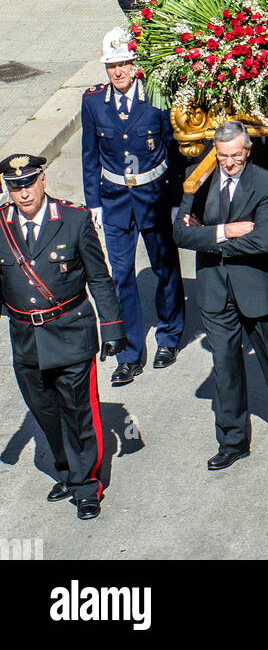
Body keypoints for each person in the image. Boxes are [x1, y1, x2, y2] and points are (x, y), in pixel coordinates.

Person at [174, 122, 268, 467]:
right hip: (215, 290)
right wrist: (227, 231)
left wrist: (207, 236)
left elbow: (263, 241)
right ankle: (232, 440)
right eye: (222, 156)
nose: (229, 163)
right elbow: (180, 233)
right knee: (225, 368)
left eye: (236, 156)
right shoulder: (198, 177)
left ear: (247, 151)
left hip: (258, 288)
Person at [0, 152, 126, 518]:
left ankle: (87, 485)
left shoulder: (73, 220)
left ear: (42, 180)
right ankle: (68, 471)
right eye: (14, 186)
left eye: (28, 184)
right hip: (26, 338)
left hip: (71, 332)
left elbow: (99, 277)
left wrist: (112, 326)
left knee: (78, 412)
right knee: (45, 410)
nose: (22, 193)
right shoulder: (2, 225)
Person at [81, 27, 184, 386]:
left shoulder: (156, 98)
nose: (118, 72)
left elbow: (173, 152)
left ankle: (169, 336)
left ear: (135, 64)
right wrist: (93, 202)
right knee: (121, 275)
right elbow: (89, 156)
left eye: (123, 63)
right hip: (115, 203)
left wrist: (176, 201)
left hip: (153, 197)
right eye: (111, 65)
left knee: (164, 268)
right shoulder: (93, 102)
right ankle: (129, 353)